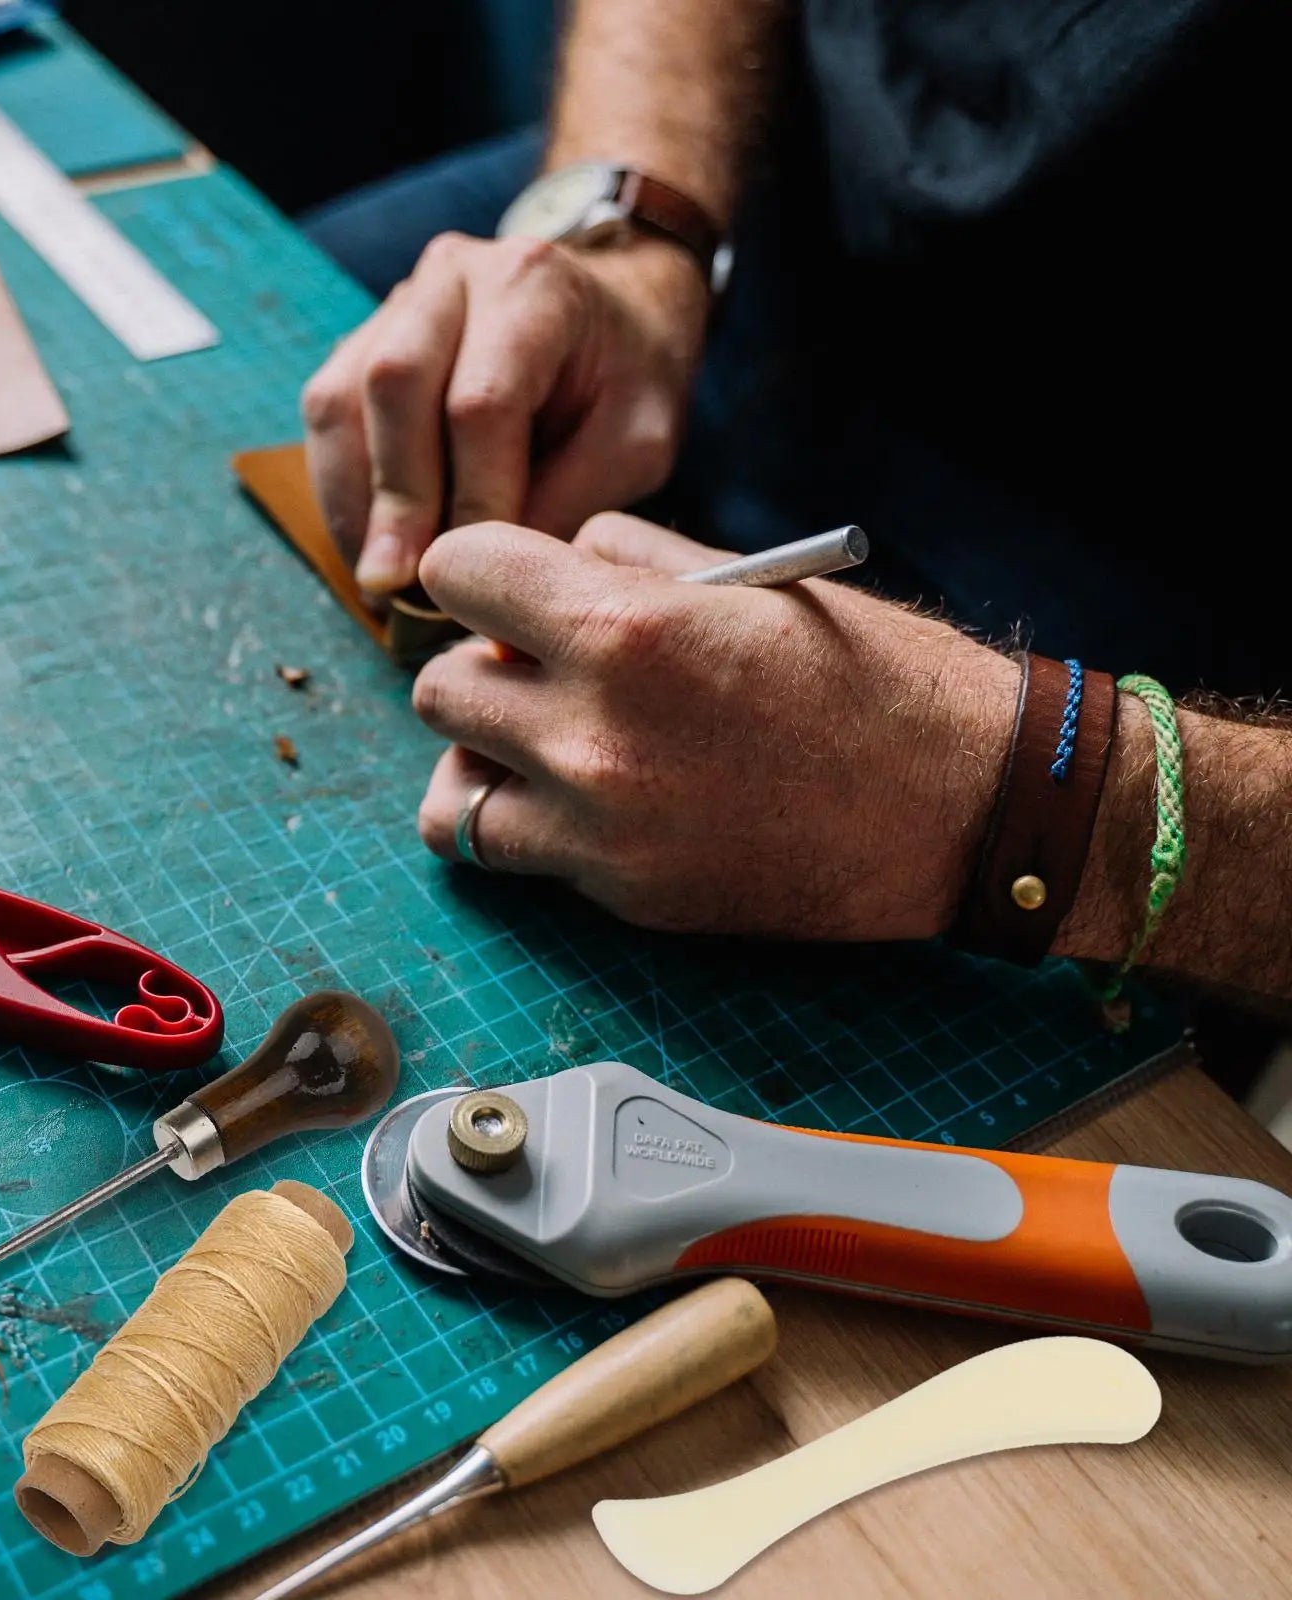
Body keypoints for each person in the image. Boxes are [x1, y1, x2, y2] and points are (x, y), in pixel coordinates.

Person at [295, 0, 1288, 1007]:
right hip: (752, 186)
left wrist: (1035, 803)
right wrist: (632, 224)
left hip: (1159, 577)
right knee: (304, 343)